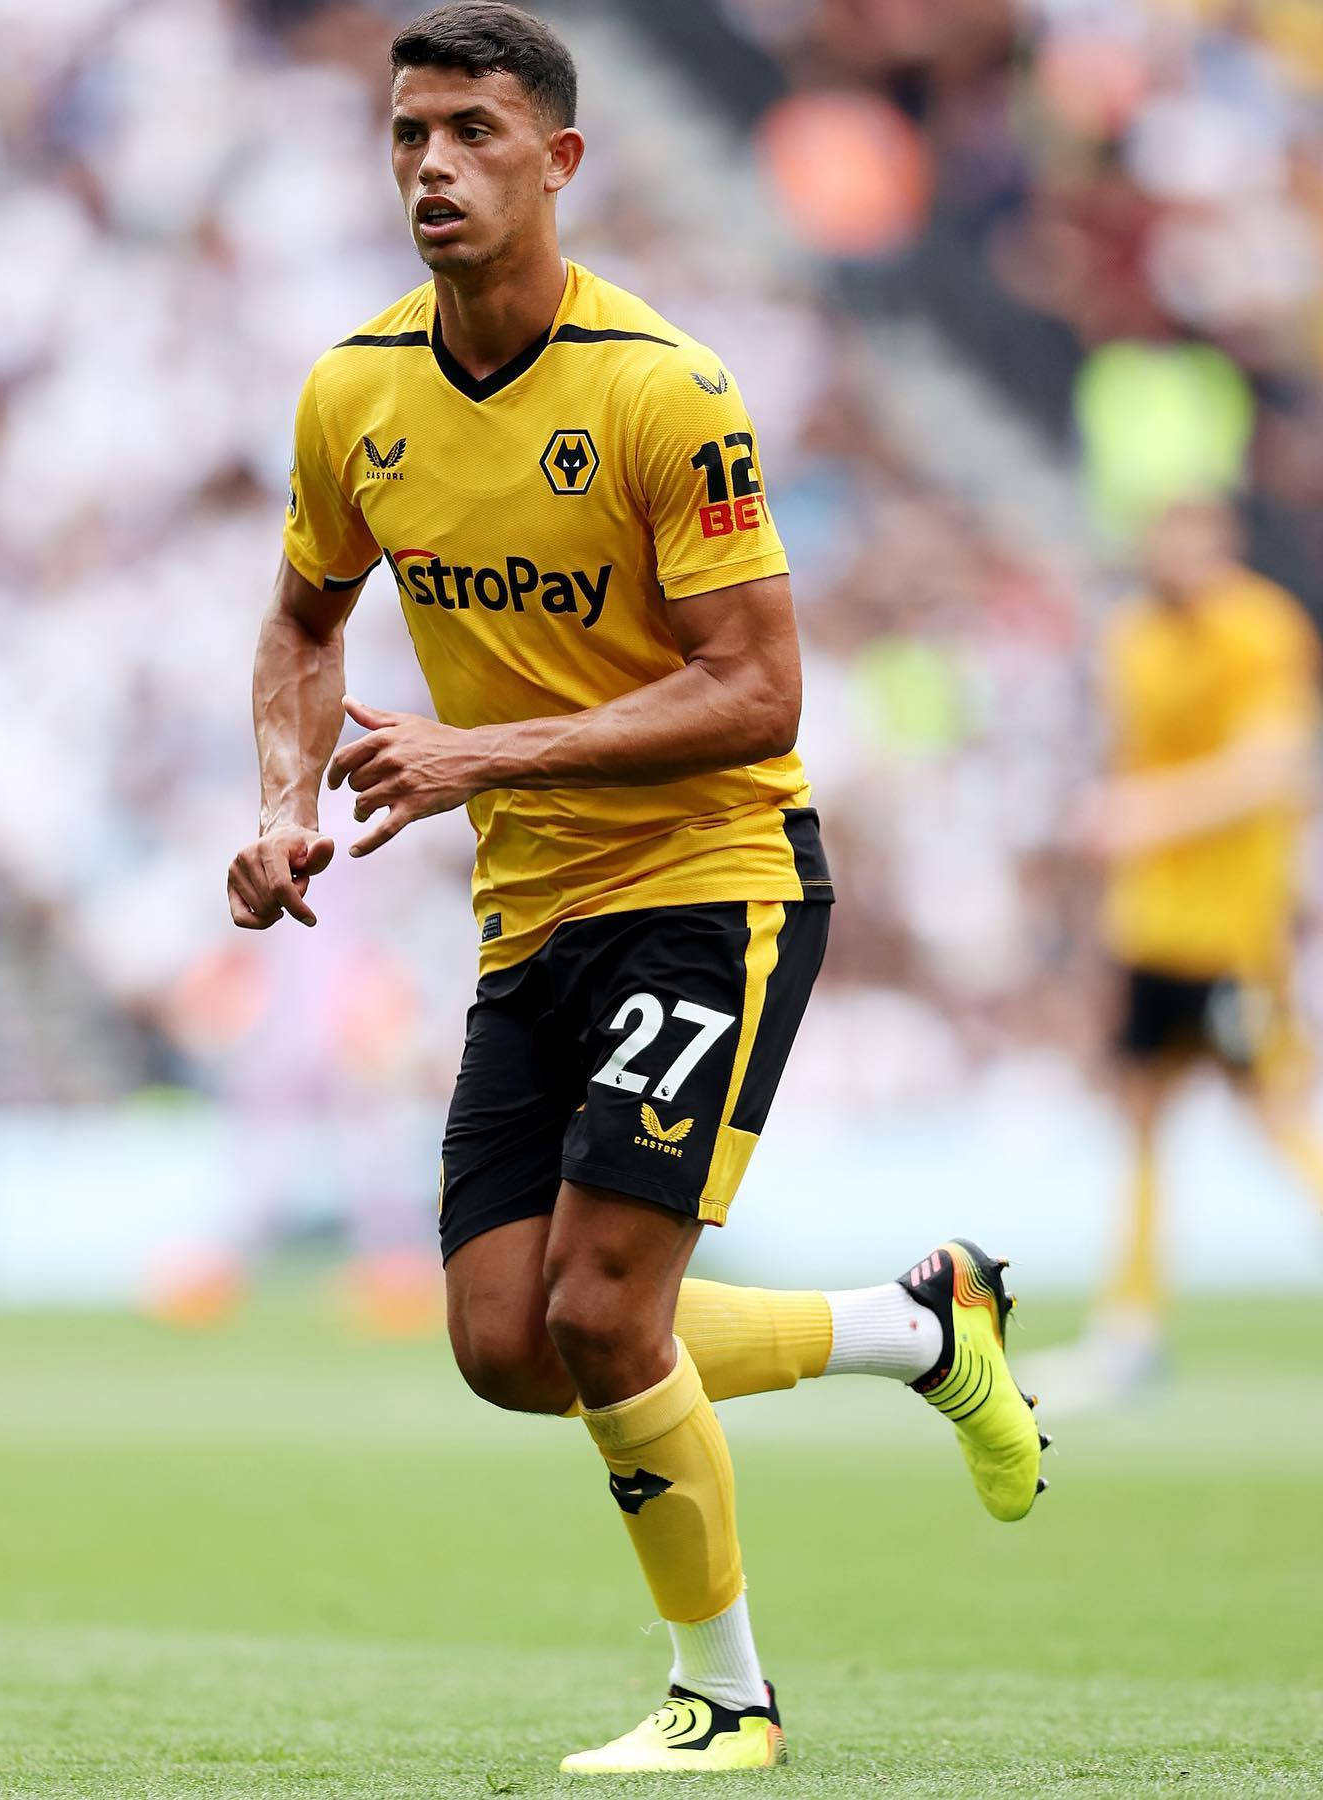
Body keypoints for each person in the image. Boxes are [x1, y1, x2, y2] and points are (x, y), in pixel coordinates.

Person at [227, 3, 1046, 1774]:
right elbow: (305, 616)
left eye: (472, 133)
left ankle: (727, 1698)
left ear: (561, 161)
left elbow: (759, 689)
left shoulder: (665, 389)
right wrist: (286, 803)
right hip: (536, 912)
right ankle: (921, 1326)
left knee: (603, 1312)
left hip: (711, 877)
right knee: (505, 1344)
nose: (432, 165)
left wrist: (477, 760)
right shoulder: (354, 390)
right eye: (408, 135)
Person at [1049, 498, 1323, 1407]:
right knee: (1139, 1118)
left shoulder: (1261, 630)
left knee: (1276, 1113)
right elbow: (1130, 764)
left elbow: (1270, 767)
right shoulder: (1131, 637)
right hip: (1150, 927)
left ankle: (1130, 1328)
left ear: (1227, 548)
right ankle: (1129, 1329)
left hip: (1234, 931)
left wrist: (1148, 815)